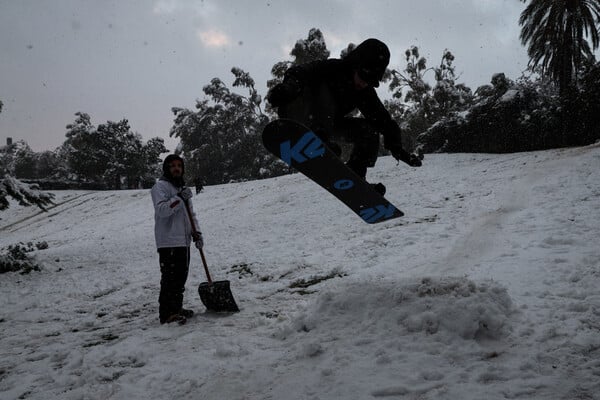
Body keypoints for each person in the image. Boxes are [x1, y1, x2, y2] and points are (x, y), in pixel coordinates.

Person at [267, 38, 422, 195]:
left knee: (368, 131)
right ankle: (318, 142)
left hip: (326, 127)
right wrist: (288, 89)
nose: (363, 83)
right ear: (355, 64)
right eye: (363, 75)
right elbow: (298, 72)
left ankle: (356, 176)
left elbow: (383, 121)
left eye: (370, 81)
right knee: (325, 95)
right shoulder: (332, 68)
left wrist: (398, 149)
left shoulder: (363, 92)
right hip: (299, 113)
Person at [151, 154, 204, 325]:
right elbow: (162, 211)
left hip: (183, 240)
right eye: (173, 165)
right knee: (170, 278)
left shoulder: (182, 189)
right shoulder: (159, 187)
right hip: (168, 241)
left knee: (180, 277)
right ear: (167, 168)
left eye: (179, 166)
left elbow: (191, 214)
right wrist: (179, 198)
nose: (176, 168)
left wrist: (197, 232)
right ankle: (166, 314)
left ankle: (176, 308)